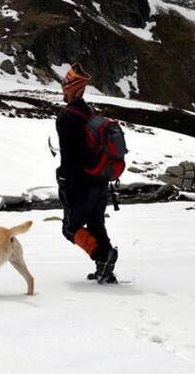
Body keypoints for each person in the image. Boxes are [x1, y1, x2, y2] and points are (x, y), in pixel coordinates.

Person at [55, 63, 118, 284]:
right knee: (96, 223)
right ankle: (106, 267)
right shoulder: (90, 113)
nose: (63, 88)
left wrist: (63, 179)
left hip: (80, 182)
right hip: (100, 179)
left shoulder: (66, 117)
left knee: (70, 228)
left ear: (71, 89)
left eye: (65, 84)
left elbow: (68, 155)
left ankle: (102, 257)